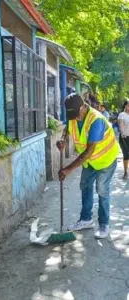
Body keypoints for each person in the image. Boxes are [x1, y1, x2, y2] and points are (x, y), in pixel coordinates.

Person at [57, 93, 119, 239]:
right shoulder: (73, 115)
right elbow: (67, 129)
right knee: (85, 186)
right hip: (90, 162)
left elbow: (88, 151)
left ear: (83, 106)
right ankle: (86, 219)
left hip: (106, 160)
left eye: (76, 114)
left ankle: (104, 224)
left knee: (102, 190)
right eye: (71, 115)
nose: (75, 118)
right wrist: (62, 140)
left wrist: (68, 169)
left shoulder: (96, 120)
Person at [118, 100, 129, 179]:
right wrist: (122, 133)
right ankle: (125, 172)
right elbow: (120, 124)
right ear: (125, 106)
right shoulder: (122, 114)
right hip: (124, 138)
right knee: (126, 155)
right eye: (128, 105)